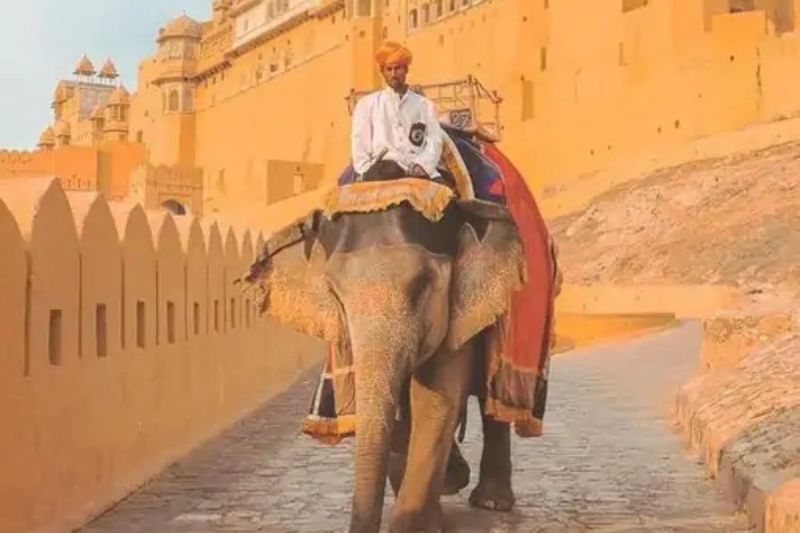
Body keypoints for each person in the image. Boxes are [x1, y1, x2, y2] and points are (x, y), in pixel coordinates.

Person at [351, 41, 445, 182]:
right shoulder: (367, 105)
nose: (394, 74)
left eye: (398, 69)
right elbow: (359, 145)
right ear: (382, 72)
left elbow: (434, 141)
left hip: (419, 170)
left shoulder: (425, 105)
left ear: (406, 69)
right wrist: (367, 172)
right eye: (389, 69)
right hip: (382, 170)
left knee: (447, 192)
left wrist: (423, 165)